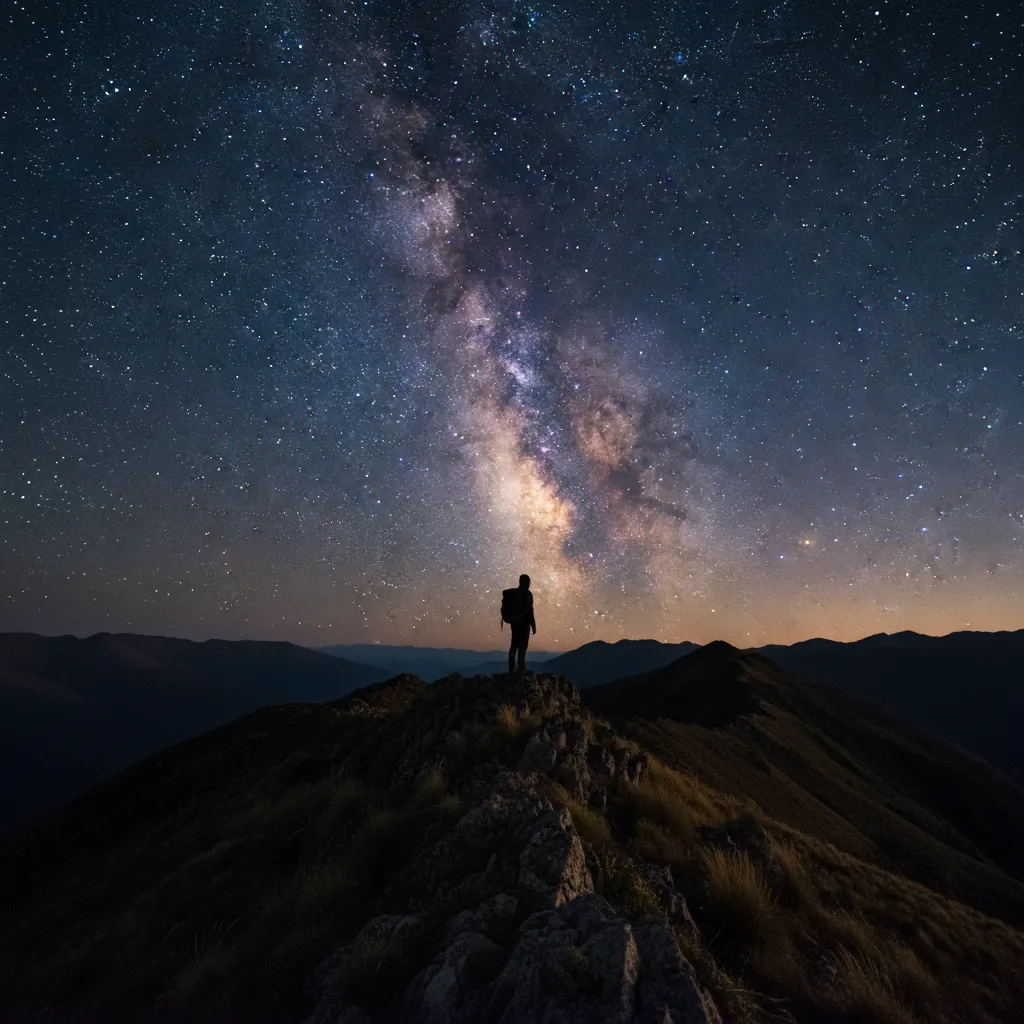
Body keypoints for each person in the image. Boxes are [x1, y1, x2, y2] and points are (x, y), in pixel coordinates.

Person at [506, 573, 536, 675]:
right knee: (522, 645)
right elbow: (530, 611)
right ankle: (520, 667)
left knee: (514, 644)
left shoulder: (515, 593)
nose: (529, 584)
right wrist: (533, 625)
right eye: (528, 582)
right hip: (523, 624)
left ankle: (512, 668)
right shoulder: (527, 594)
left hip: (515, 623)